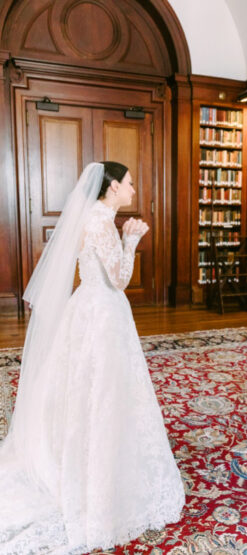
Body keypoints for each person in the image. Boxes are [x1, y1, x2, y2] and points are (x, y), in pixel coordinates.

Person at [0, 162, 185, 553]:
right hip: (102, 314)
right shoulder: (101, 221)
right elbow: (119, 279)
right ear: (113, 186)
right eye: (130, 184)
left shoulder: (96, 217)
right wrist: (133, 239)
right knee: (103, 390)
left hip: (92, 308)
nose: (135, 190)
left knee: (92, 389)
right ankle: (96, 468)